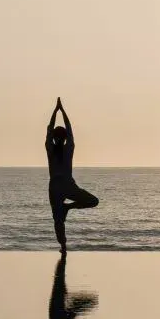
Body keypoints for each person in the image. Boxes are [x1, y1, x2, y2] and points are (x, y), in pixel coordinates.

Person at [46, 98, 99, 253]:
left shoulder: (55, 148)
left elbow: (51, 129)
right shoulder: (64, 148)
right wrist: (61, 111)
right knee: (59, 220)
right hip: (62, 186)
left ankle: (63, 244)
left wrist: (56, 111)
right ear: (63, 138)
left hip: (60, 186)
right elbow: (67, 130)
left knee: (58, 220)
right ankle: (63, 246)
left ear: (56, 138)